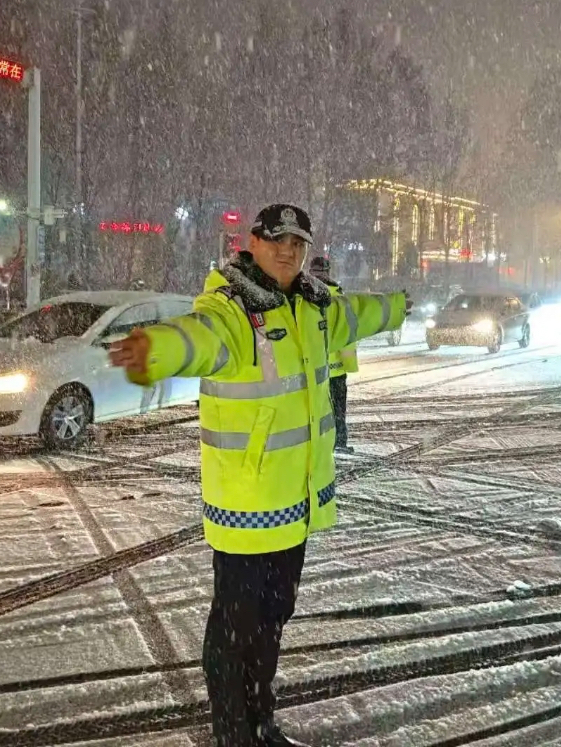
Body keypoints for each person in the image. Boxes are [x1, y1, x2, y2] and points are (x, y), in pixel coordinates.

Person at [108, 203, 407, 747]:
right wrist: (155, 350)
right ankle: (234, 736)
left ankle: (262, 724)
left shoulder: (313, 308)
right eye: (276, 241)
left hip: (296, 502)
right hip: (247, 505)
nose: (287, 251)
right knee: (234, 632)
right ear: (252, 243)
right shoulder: (233, 309)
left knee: (271, 622)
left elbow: (357, 314)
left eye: (297, 242)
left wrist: (396, 308)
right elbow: (198, 339)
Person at [308, 256, 357, 454]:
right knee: (337, 408)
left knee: (314, 410)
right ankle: (339, 441)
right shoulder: (338, 297)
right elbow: (348, 333)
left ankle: (316, 443)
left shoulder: (302, 297)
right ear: (328, 272)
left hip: (312, 368)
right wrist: (349, 362)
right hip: (335, 368)